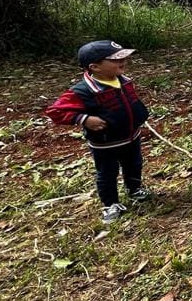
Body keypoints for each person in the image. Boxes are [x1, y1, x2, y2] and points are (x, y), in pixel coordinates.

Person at [46, 40, 152, 224]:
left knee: (134, 164)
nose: (123, 62)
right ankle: (110, 204)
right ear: (95, 67)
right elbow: (55, 111)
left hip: (131, 136)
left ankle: (134, 189)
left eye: (123, 58)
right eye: (115, 60)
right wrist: (85, 119)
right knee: (107, 173)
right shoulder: (83, 91)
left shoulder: (122, 80)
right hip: (105, 143)